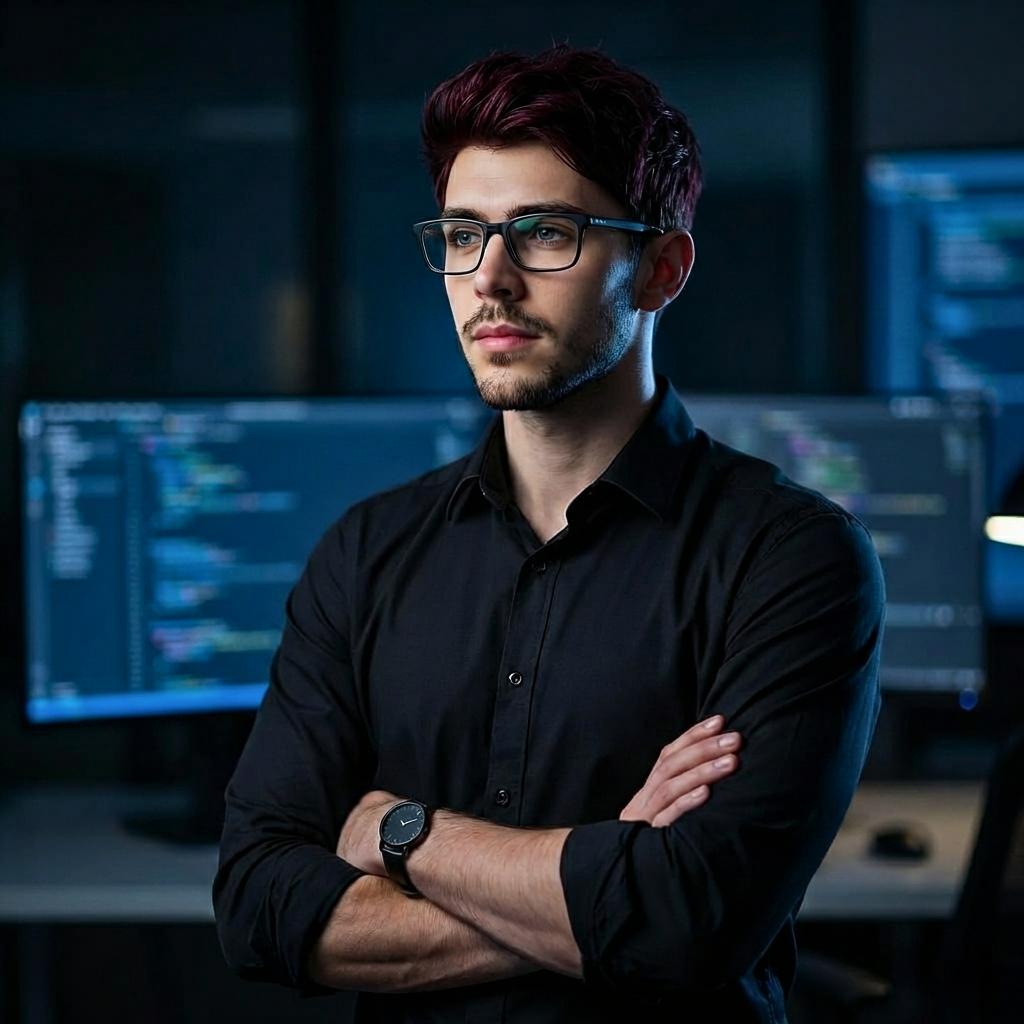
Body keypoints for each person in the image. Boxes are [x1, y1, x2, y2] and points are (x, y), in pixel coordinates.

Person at [214, 45, 884, 1024]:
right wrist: (606, 872)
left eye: (545, 233)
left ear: (660, 268)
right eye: (461, 233)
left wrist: (398, 832)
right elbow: (258, 909)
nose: (489, 279)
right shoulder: (364, 556)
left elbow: (691, 923)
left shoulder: (789, 558)